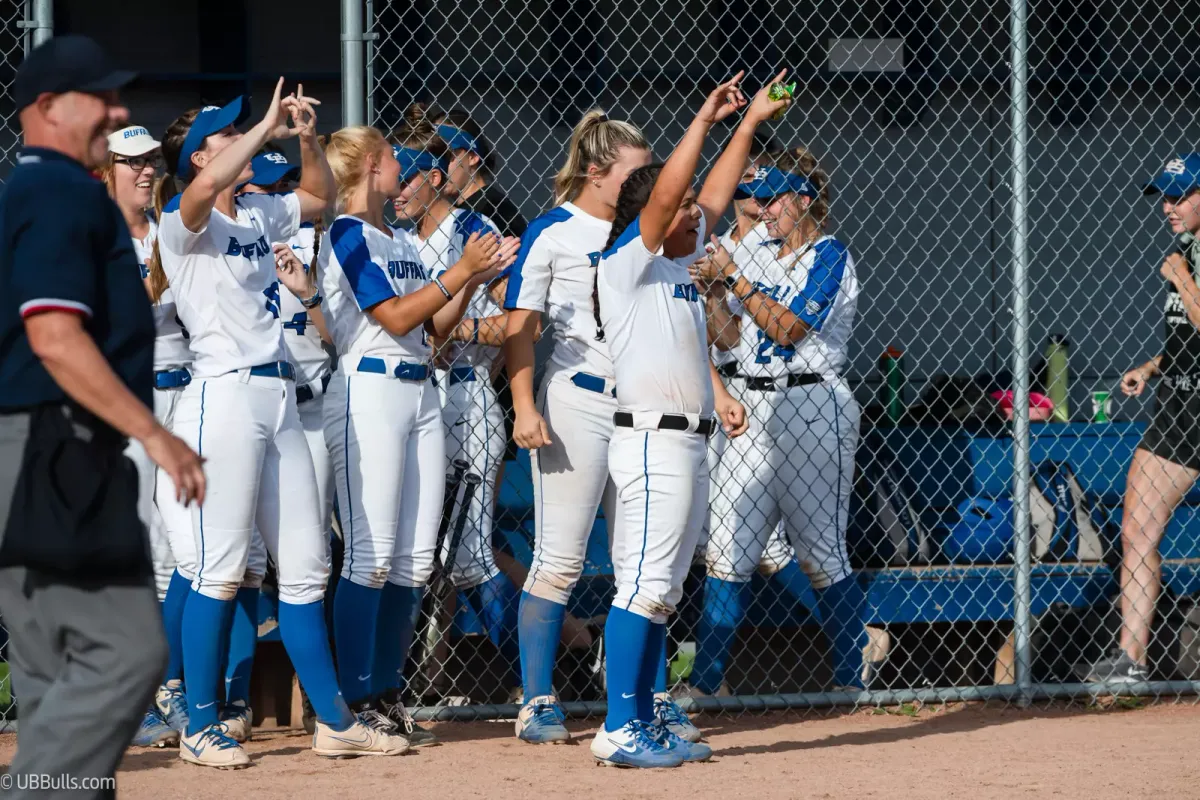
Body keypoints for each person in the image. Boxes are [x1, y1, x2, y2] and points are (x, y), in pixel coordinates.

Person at [154, 82, 408, 766]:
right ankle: (201, 725)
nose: (241, 138)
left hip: (279, 400)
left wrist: (302, 138)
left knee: (303, 569)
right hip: (222, 399)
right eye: (224, 134)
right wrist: (264, 124)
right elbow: (205, 182)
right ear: (199, 157)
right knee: (218, 568)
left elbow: (321, 198)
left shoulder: (258, 212)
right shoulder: (185, 217)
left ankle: (334, 721)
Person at [0, 34, 205, 793]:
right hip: (55, 447)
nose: (117, 110)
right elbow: (54, 335)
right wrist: (155, 434)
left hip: (37, 447)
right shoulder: (59, 189)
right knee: (127, 653)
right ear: (49, 108)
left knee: (53, 663)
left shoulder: (33, 188)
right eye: (101, 97)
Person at [590, 70, 778, 767]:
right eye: (682, 212)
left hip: (687, 445)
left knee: (663, 591)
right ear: (653, 220)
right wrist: (701, 118)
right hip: (649, 441)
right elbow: (672, 192)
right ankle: (619, 726)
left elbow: (713, 193)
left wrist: (748, 123)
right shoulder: (625, 265)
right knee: (644, 585)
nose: (698, 216)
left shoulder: (678, 265)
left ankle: (642, 717)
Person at [321, 125, 518, 746]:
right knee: (369, 556)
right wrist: (459, 266)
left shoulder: (399, 237)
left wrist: (473, 276)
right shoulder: (346, 233)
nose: (400, 172)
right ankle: (353, 703)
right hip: (369, 390)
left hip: (420, 389)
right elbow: (392, 315)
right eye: (390, 162)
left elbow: (433, 327)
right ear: (368, 169)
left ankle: (386, 692)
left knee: (413, 560)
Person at [690, 145, 872, 693]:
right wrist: (716, 292)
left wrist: (737, 281)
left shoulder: (831, 253)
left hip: (814, 405)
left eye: (774, 200)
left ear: (805, 199)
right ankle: (706, 684)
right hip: (755, 405)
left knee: (820, 551)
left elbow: (791, 329)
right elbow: (728, 338)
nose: (764, 210)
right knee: (726, 547)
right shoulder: (757, 253)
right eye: (760, 200)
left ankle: (851, 668)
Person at [502, 109, 652, 743]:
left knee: (642, 564)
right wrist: (524, 405)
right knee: (559, 558)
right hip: (578, 401)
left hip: (643, 406)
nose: (648, 186)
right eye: (635, 174)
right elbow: (519, 326)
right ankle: (537, 700)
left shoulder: (650, 227)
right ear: (596, 173)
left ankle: (646, 696)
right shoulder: (554, 231)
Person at [396, 111, 524, 702]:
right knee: (414, 548)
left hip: (466, 396)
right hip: (404, 395)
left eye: (412, 174)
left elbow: (523, 322)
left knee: (467, 555)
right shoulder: (392, 234)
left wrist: (462, 329)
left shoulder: (476, 229)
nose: (398, 187)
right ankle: (410, 684)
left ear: (437, 175)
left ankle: (545, 674)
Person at [1079, 154, 1200, 684]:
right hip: (1180, 407)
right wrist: (1151, 367)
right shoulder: (1185, 252)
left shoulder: (1182, 263)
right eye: (1165, 198)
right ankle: (1132, 661)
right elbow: (1187, 338)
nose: (1168, 208)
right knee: (1136, 530)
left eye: (1179, 197)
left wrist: (1181, 278)